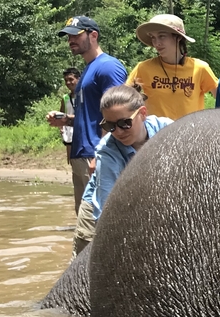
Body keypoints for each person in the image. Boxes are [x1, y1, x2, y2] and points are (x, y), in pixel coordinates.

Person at [72, 85, 173, 256]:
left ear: (142, 113)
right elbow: (107, 209)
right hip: (98, 212)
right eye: (110, 125)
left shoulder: (168, 129)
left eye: (124, 123)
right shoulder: (107, 153)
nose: (118, 132)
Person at [46, 17, 127, 215]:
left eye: (76, 35)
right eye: (68, 37)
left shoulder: (108, 67)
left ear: (93, 35)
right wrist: (67, 120)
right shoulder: (88, 70)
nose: (70, 40)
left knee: (98, 221)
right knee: (85, 221)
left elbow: (118, 114)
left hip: (95, 154)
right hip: (82, 154)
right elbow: (92, 116)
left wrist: (101, 155)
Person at [126, 14, 218, 120]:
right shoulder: (143, 68)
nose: (157, 43)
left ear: (178, 37)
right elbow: (124, 101)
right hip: (157, 134)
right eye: (153, 37)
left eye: (162, 36)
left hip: (190, 133)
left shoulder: (200, 68)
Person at [59, 67, 80, 167]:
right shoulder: (65, 98)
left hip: (81, 132)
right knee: (72, 161)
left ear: (78, 79)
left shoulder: (84, 95)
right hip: (69, 134)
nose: (68, 83)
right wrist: (61, 128)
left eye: (71, 79)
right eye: (66, 80)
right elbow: (61, 114)